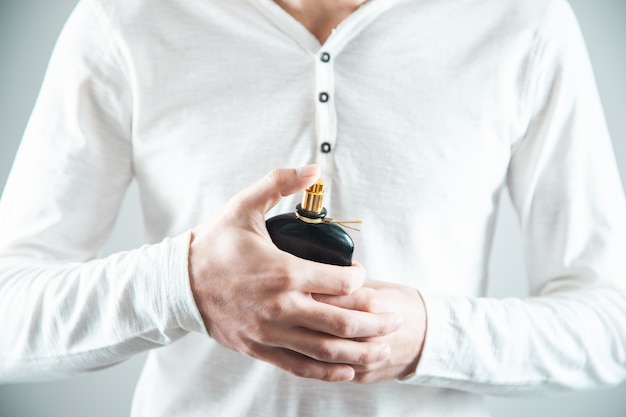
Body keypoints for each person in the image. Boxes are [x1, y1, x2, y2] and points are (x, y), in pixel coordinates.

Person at [1, 0, 625, 415]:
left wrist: (431, 338)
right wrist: (183, 286)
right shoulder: (124, 17)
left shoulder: (522, 18)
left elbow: (612, 326)